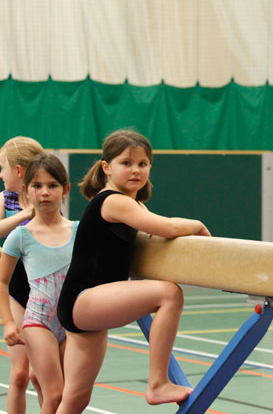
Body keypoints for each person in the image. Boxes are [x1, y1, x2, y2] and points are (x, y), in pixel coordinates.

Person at [55, 130, 210, 413]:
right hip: (85, 298)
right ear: (106, 167)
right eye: (126, 163)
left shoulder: (132, 204)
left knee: (75, 400)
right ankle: (158, 383)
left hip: (80, 305)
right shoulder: (113, 200)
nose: (135, 170)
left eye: (142, 164)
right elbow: (168, 228)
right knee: (169, 294)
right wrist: (197, 224)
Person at [0, 154, 77, 414]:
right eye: (37, 186)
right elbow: (1, 280)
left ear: (65, 190)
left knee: (69, 398)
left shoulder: (77, 230)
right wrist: (8, 321)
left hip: (71, 321)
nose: (44, 192)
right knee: (55, 394)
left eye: (52, 186)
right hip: (38, 321)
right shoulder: (20, 235)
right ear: (26, 191)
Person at [0, 136, 44, 413]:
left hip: (44, 289)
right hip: (16, 290)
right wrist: (23, 215)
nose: (0, 174)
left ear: (18, 171)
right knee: (20, 374)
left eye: (3, 167)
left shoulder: (44, 195)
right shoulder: (4, 199)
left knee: (40, 375)